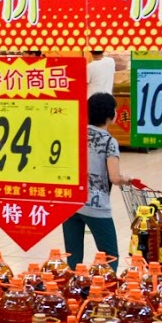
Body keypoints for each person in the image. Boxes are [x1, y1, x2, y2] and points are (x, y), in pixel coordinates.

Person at [62, 92, 128, 269]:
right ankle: (105, 291)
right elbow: (114, 177)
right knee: (110, 256)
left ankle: (74, 289)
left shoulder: (74, 134)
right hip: (96, 204)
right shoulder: (109, 142)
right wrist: (126, 180)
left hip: (70, 201)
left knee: (72, 256)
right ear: (110, 116)